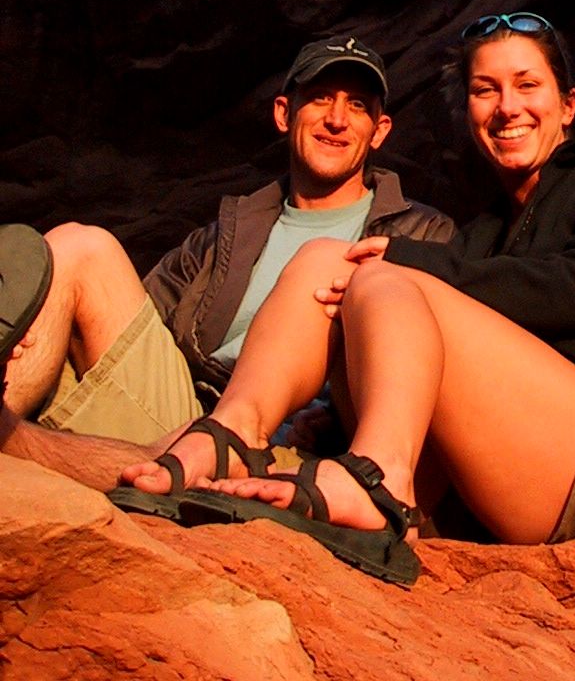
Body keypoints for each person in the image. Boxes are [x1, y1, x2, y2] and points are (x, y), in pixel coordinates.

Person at [116, 12, 575, 582]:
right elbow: (452, 371)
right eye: (485, 90)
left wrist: (411, 260)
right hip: (504, 477)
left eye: (527, 85)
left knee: (381, 274)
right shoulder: (484, 235)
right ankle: (233, 433)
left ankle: (380, 482)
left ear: (567, 105)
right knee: (328, 257)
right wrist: (334, 419)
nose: (507, 107)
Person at [0, 35, 453, 487]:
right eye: (319, 98)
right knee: (79, 246)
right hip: (191, 409)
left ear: (380, 130)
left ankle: (63, 451)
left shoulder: (421, 235)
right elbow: (138, 326)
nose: (336, 119)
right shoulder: (226, 233)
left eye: (357, 105)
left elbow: (432, 373)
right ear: (284, 113)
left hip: (294, 443)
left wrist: (334, 418)